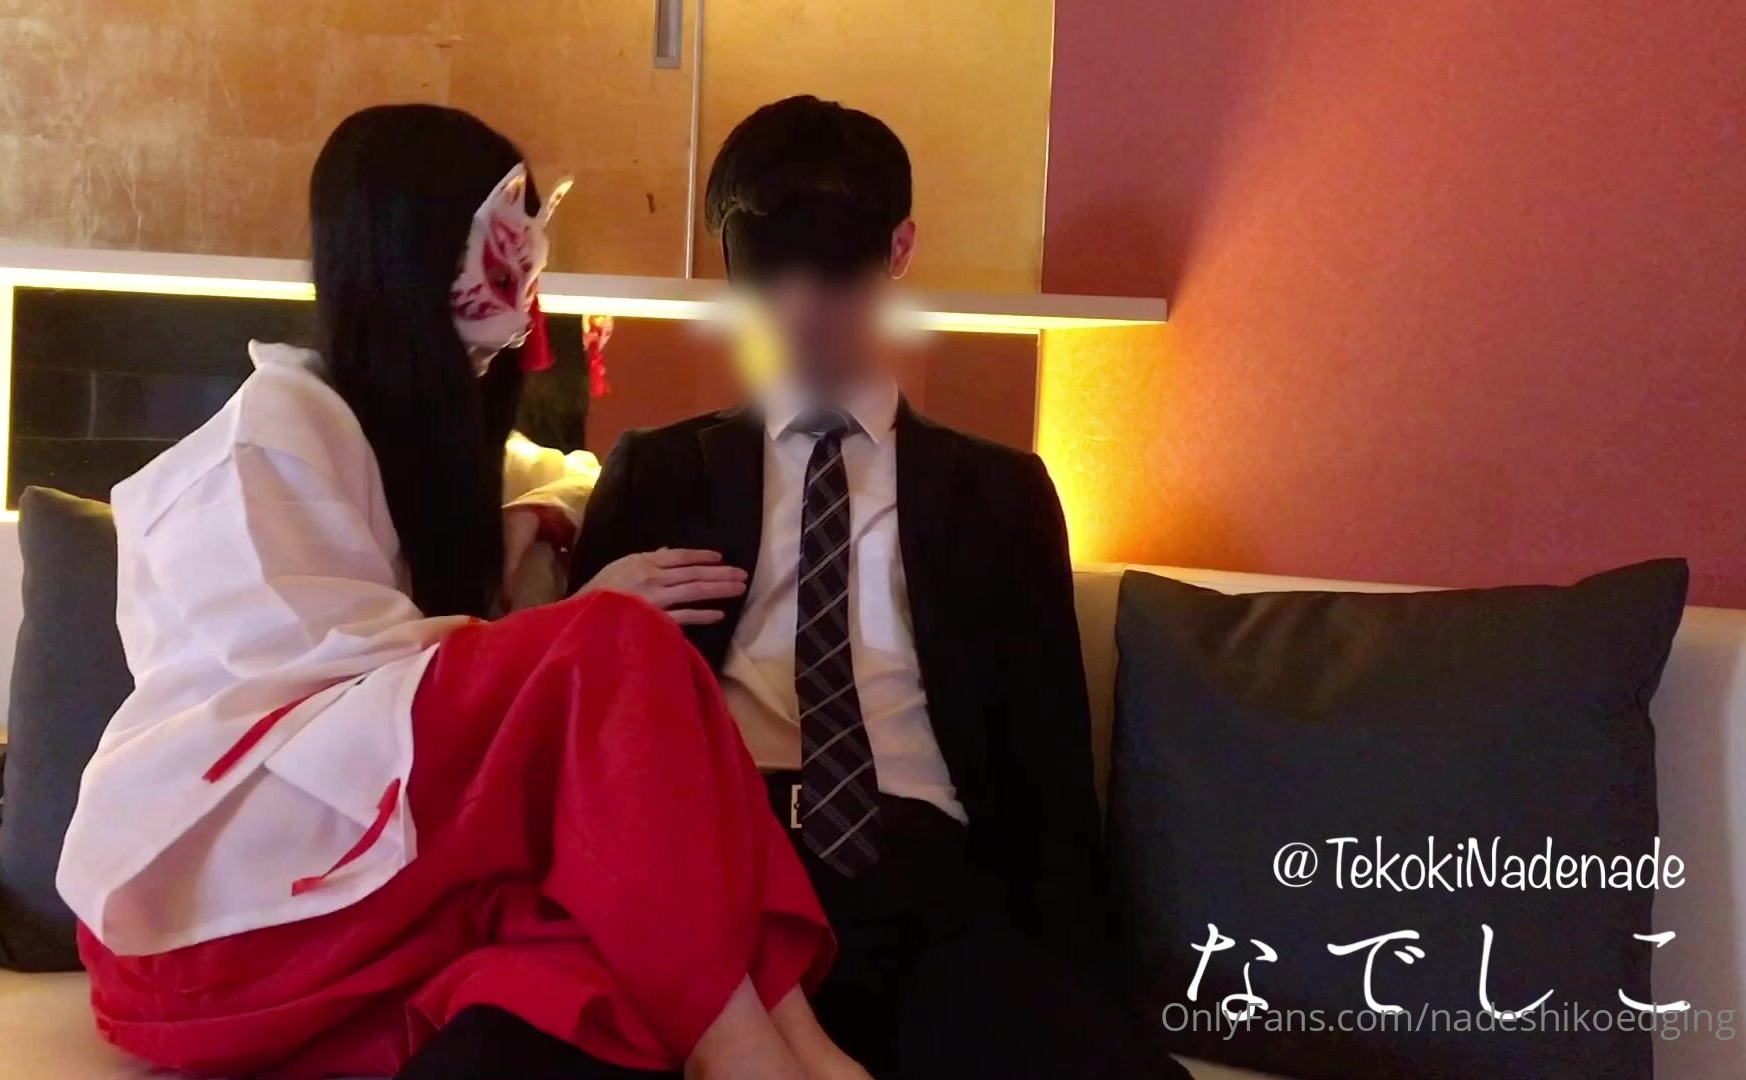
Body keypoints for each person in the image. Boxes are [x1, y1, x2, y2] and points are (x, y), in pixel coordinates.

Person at [57, 104, 870, 1080]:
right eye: (503, 241)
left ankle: (800, 1045)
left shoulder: (408, 439)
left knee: (597, 940)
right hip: (216, 904)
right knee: (618, 644)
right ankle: (754, 1059)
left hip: (358, 885)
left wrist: (540, 522)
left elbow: (565, 476)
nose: (526, 281)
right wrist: (566, 635)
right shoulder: (263, 442)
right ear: (408, 252)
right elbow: (313, 702)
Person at [572, 96, 1189, 1079]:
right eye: (768, 273)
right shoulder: (659, 473)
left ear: (898, 249)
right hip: (722, 868)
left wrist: (1087, 987)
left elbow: (1051, 781)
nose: (799, 308)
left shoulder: (1000, 492)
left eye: (833, 270)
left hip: (926, 876)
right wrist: (578, 607)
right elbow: (583, 738)